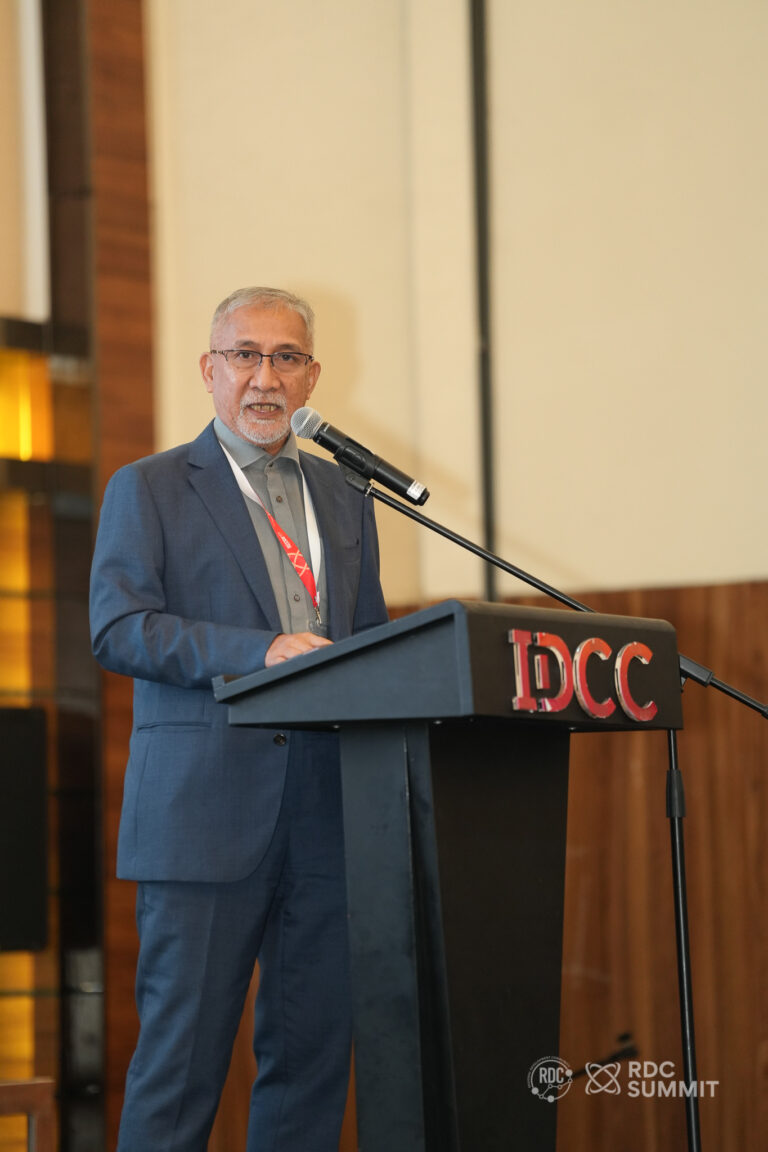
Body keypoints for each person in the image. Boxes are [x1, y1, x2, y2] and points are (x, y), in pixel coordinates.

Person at [89, 286, 389, 1151]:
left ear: (312, 377)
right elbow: (119, 628)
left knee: (312, 1068)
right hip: (202, 815)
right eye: (245, 355)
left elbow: (368, 643)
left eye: (286, 358)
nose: (265, 377)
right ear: (209, 370)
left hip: (327, 815)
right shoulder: (148, 488)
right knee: (180, 1072)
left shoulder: (346, 496)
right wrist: (257, 651)